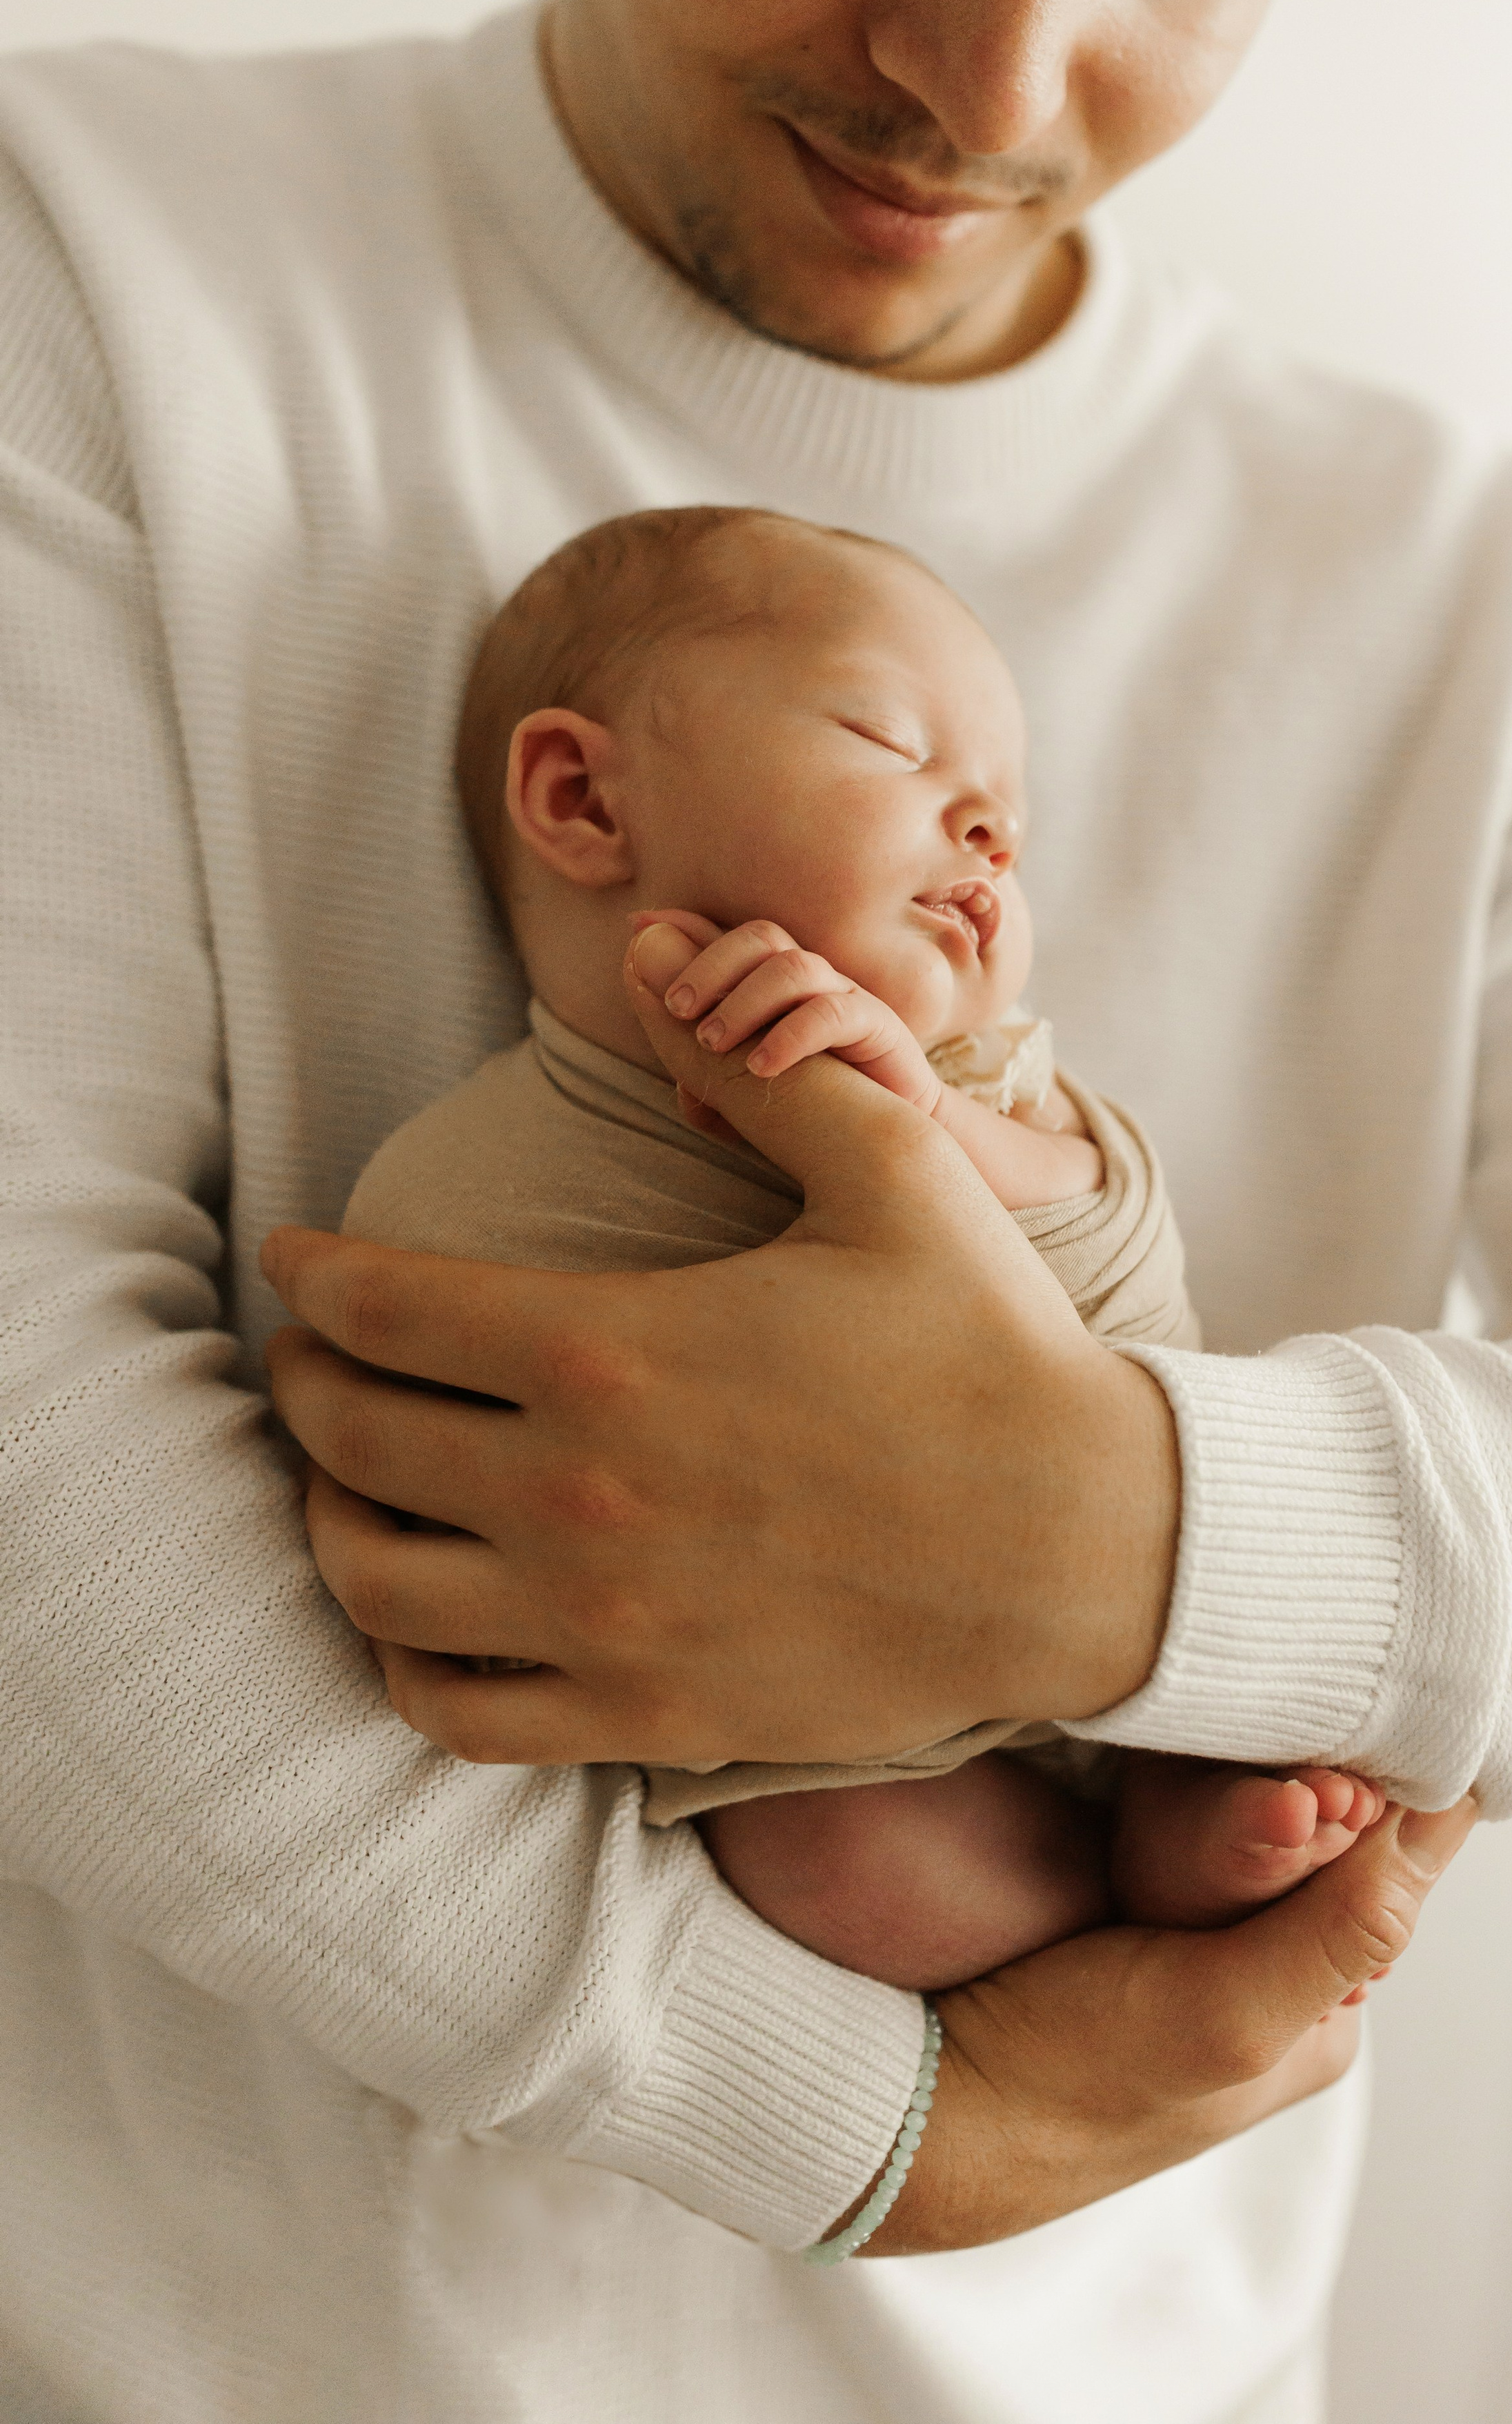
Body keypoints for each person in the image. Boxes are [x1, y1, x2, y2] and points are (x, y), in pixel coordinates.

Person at [1, 0, 1512, 2414]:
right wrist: (832, 2107)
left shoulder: (1459, 582)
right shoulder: (96, 267)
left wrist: (1104, 1538)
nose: (993, 69)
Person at [341, 497, 1389, 1987]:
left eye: (1009, 811)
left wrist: (926, 1135)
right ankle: (1119, 1929)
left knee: (1271, 1682)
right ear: (582, 798)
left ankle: (1169, 1834)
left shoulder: (987, 1088)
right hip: (818, 1744)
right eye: (894, 746)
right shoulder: (462, 1183)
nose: (992, 827)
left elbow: (1129, 1278)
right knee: (850, 1869)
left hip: (1113, 1604)